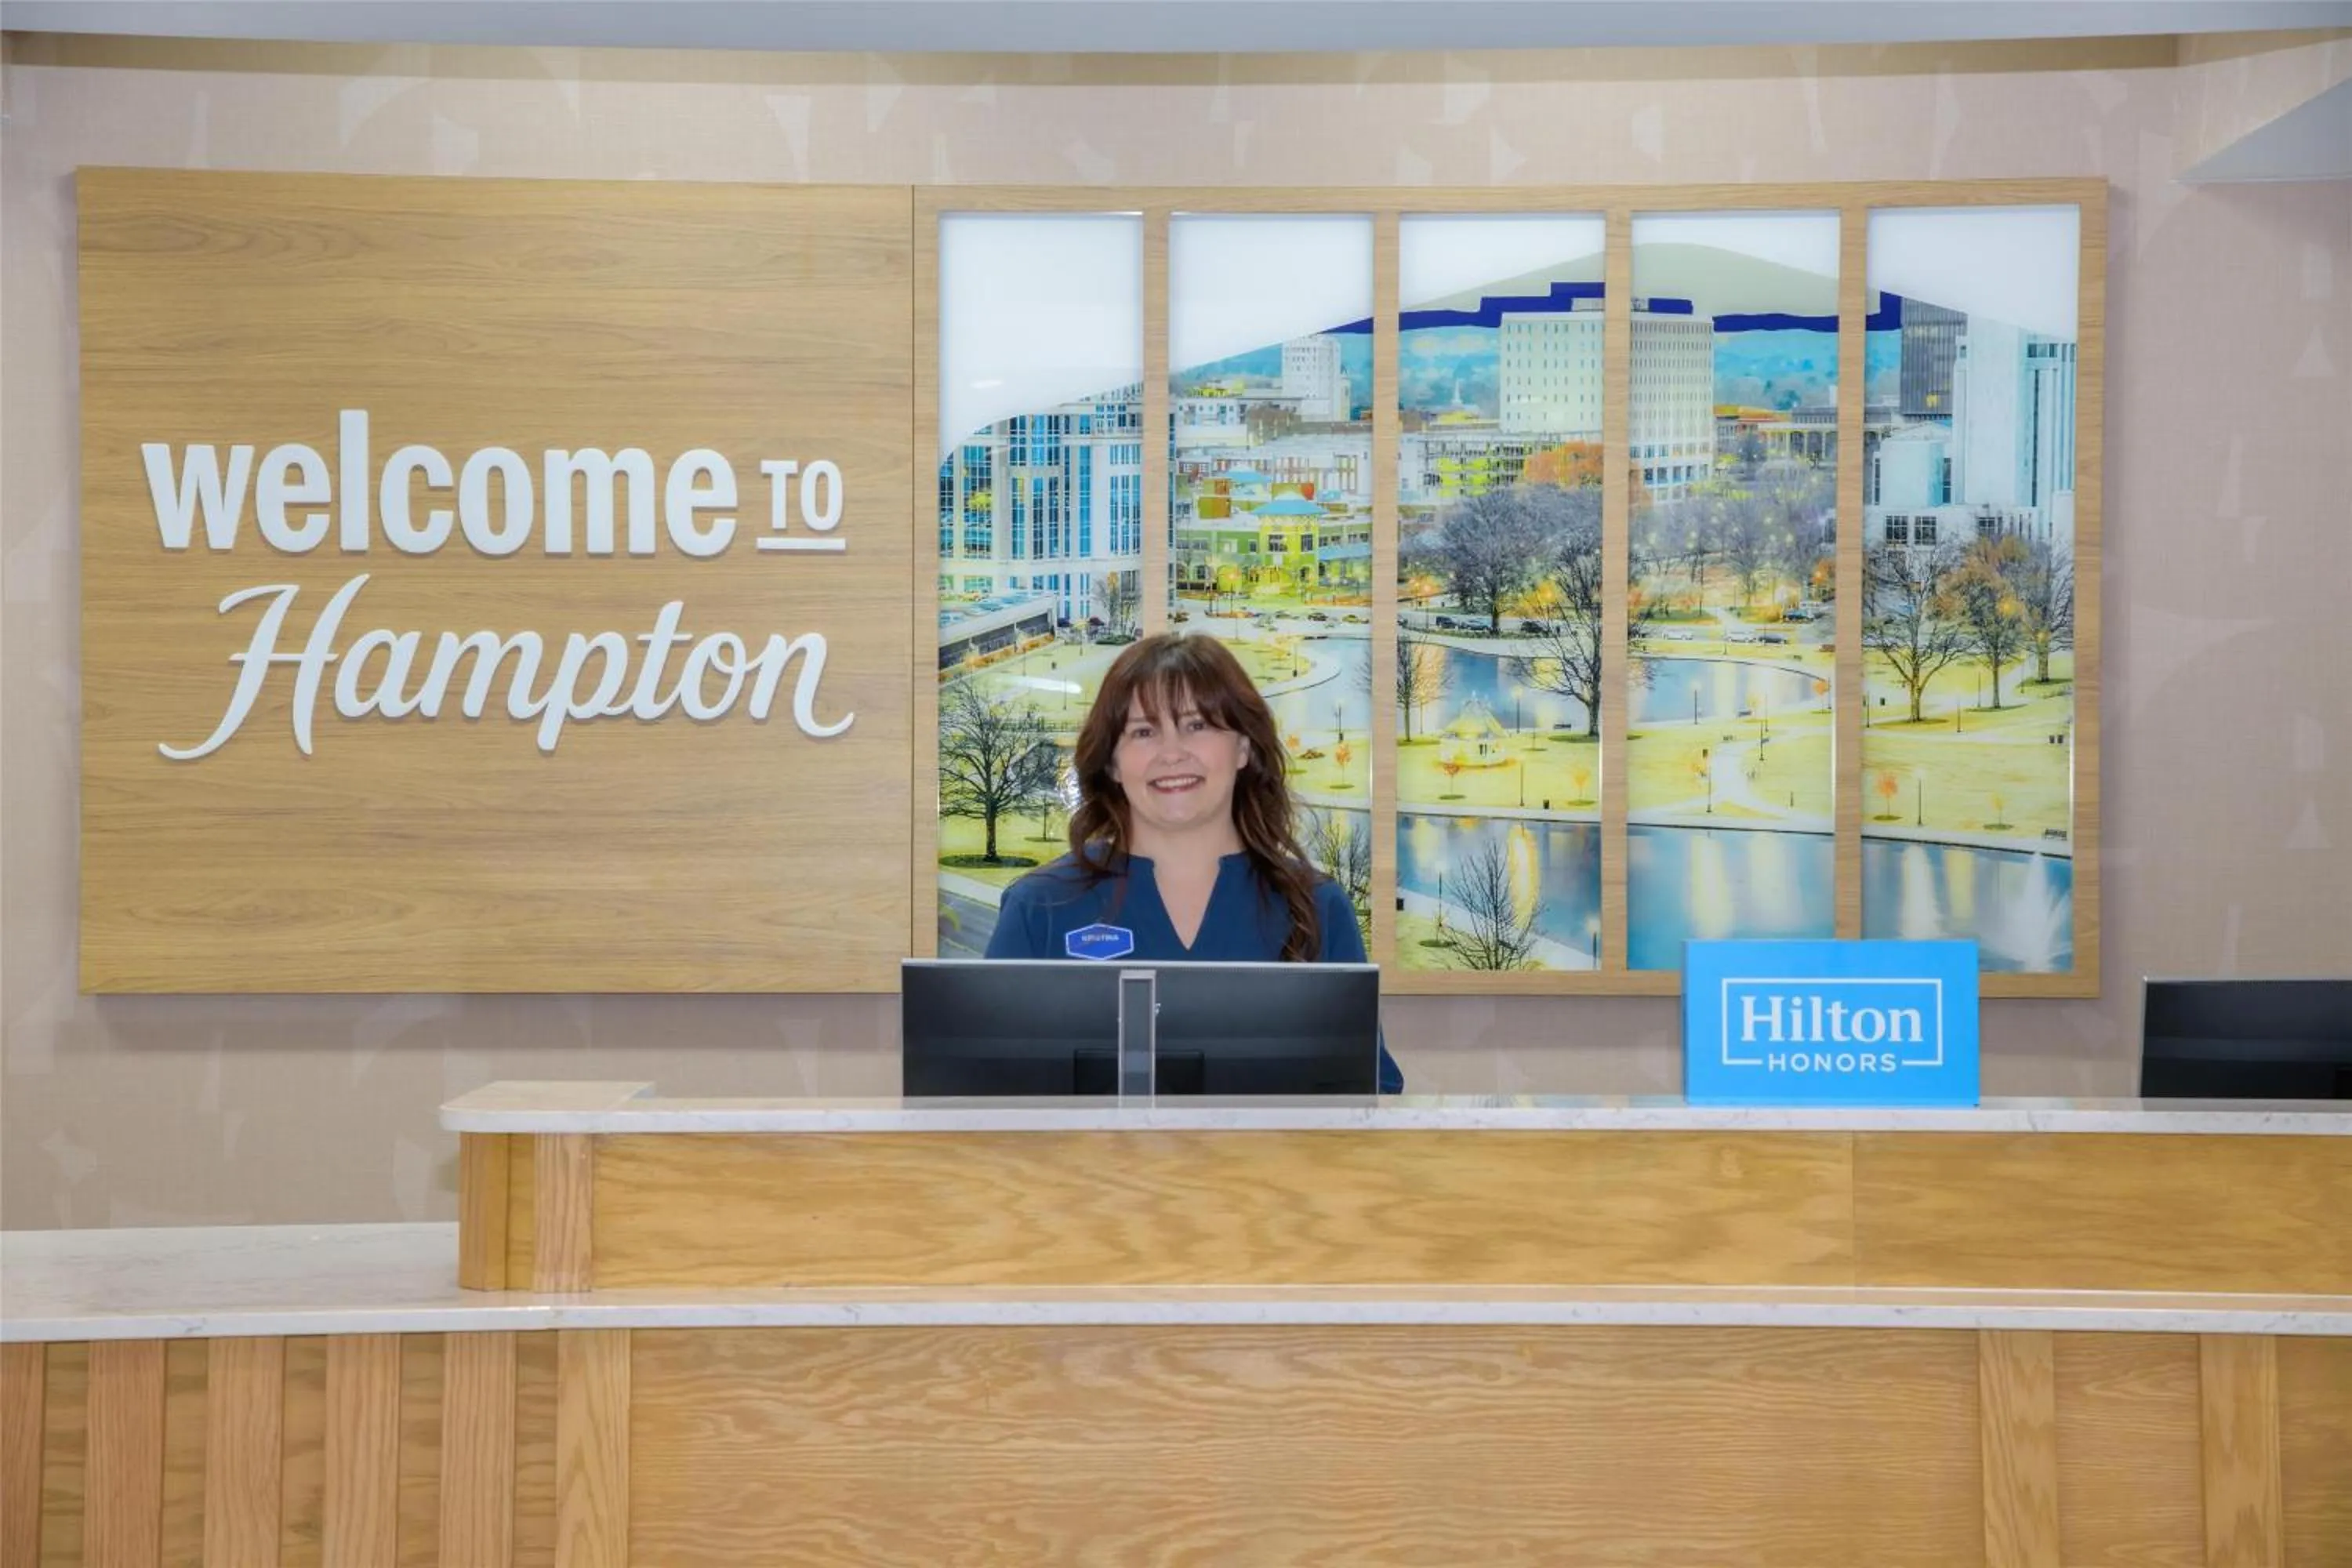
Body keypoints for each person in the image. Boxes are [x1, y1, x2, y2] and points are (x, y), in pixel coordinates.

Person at [986, 632, 1403, 1093]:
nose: (1172, 753)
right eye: (1143, 732)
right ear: (1112, 764)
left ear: (1243, 748)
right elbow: (979, 1102)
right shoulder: (1039, 908)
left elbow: (1368, 1101)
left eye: (1196, 725)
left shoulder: (1316, 908)